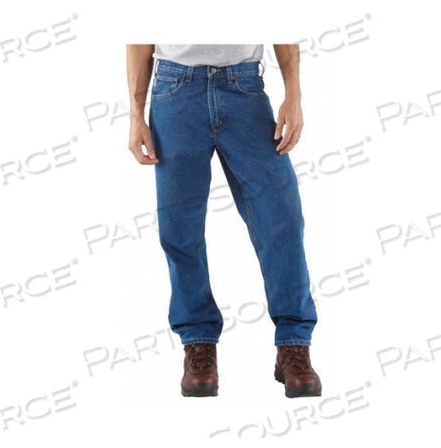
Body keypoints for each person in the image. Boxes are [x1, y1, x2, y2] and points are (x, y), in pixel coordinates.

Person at [126, 44, 321, 398]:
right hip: (174, 89)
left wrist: (294, 93)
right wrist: (135, 115)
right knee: (179, 229)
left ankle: (294, 343)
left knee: (282, 219)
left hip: (243, 87)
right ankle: (198, 343)